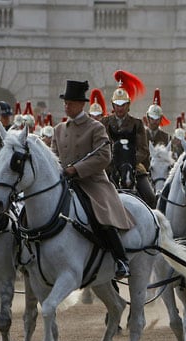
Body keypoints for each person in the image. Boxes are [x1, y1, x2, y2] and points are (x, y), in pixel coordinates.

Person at [51, 80, 133, 279]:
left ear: (81, 105)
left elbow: (104, 156)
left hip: (91, 183)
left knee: (101, 215)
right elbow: (53, 155)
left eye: (70, 102)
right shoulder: (58, 129)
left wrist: (76, 169)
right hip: (64, 182)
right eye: (65, 103)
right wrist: (59, 171)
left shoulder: (95, 127)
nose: (66, 106)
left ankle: (120, 258)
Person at [101, 70, 157, 208]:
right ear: (113, 106)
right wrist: (113, 160)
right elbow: (101, 145)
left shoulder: (137, 124)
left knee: (150, 196)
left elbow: (143, 150)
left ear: (128, 105)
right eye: (117, 105)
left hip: (133, 166)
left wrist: (128, 161)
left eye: (123, 105)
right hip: (109, 166)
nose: (120, 108)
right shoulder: (104, 123)